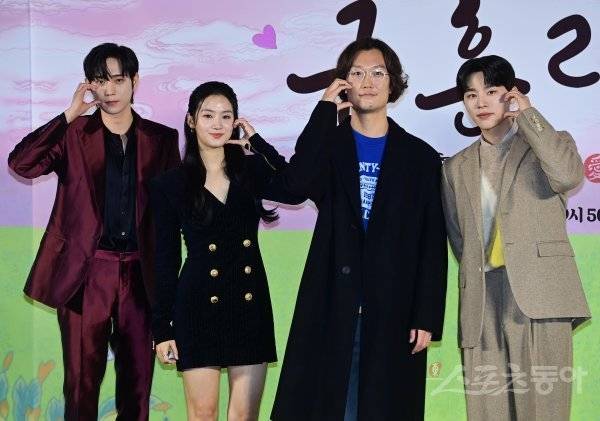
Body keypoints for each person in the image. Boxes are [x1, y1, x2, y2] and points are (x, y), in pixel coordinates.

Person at [270, 38, 448, 420]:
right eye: (357, 73)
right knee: (329, 408)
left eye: (378, 72)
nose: (368, 81)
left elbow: (432, 243)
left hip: (395, 308)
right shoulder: (329, 146)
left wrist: (427, 315)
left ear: (393, 82)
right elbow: (295, 185)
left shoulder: (420, 157)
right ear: (344, 83)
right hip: (332, 303)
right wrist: (323, 111)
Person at [7, 43, 180, 420]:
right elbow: (22, 163)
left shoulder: (162, 140)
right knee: (81, 386)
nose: (109, 90)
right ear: (89, 85)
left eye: (118, 80)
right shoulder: (74, 134)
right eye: (100, 81)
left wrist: (168, 291)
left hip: (140, 275)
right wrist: (70, 113)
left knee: (137, 388)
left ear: (135, 81)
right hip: (86, 275)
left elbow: (170, 219)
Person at [441, 54, 591, 420]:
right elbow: (459, 237)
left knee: (543, 409)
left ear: (510, 94)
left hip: (540, 294)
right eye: (471, 95)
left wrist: (529, 115)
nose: (481, 102)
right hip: (482, 300)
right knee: (487, 411)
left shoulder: (547, 145)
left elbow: (568, 176)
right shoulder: (454, 167)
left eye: (491, 91)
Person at [150, 81, 302, 421]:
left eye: (226, 116)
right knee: (203, 414)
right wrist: (162, 328)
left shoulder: (252, 170)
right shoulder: (169, 184)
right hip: (197, 307)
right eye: (208, 115)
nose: (217, 124)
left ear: (236, 121)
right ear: (191, 121)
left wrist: (259, 144)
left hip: (249, 306)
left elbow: (296, 189)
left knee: (244, 416)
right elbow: (165, 261)